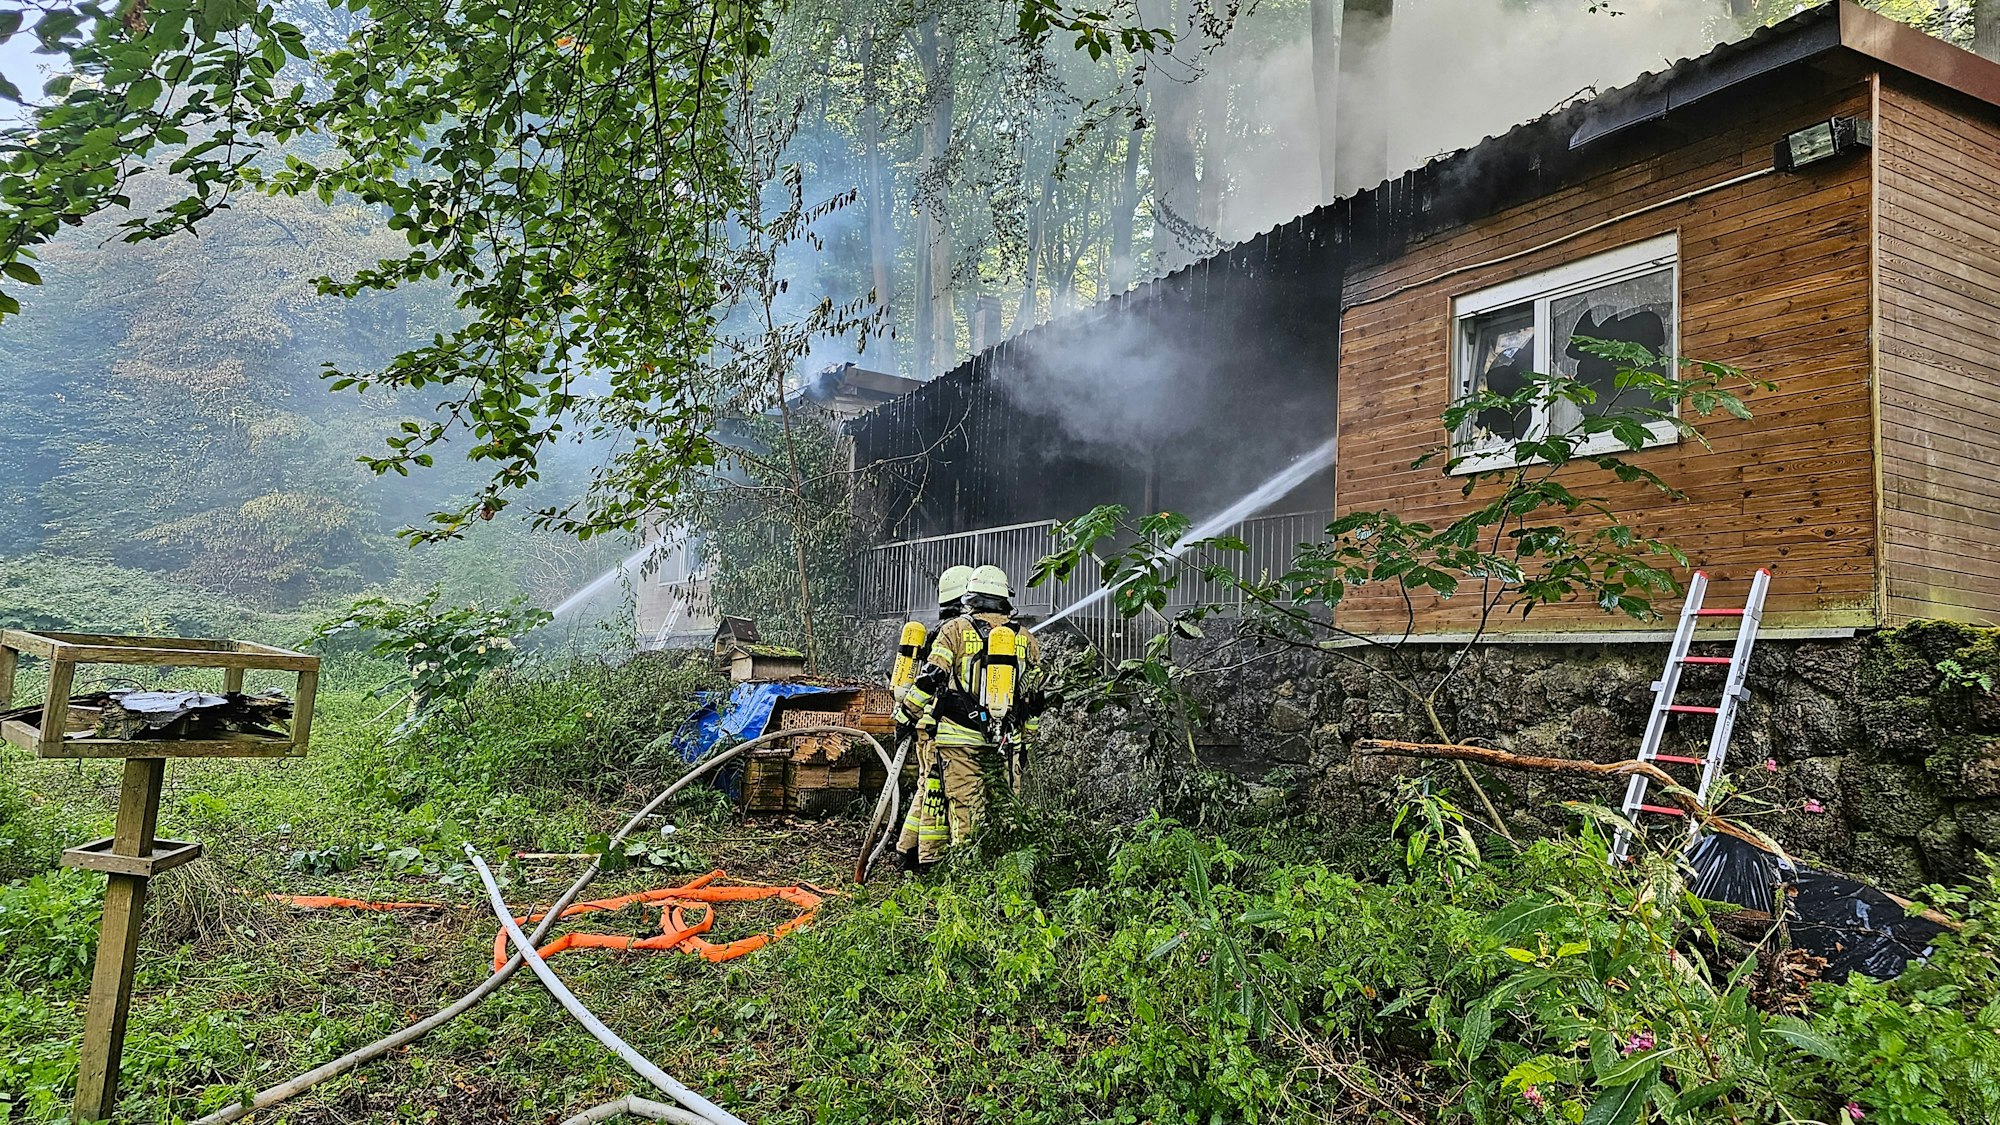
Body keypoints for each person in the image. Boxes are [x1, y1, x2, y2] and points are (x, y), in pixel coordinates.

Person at [900, 563, 1041, 866]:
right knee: (1006, 809)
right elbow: (1033, 698)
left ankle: (967, 874)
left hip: (958, 739)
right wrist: (1026, 740)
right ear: (1005, 599)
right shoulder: (1027, 639)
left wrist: (906, 714)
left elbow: (931, 677)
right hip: (1006, 741)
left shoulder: (954, 631)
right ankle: (1005, 873)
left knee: (966, 808)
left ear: (971, 599)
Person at [893, 565, 971, 869]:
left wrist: (907, 717)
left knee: (926, 787)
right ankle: (929, 861)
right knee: (935, 794)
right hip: (937, 728)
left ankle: (906, 850)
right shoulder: (952, 635)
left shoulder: (939, 632)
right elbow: (935, 681)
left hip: (925, 726)